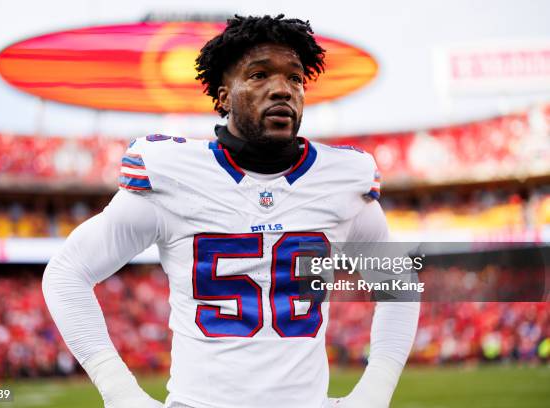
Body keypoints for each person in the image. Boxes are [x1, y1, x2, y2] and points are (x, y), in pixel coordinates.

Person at [43, 14, 420, 408]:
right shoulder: (173, 172)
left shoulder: (342, 179)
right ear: (223, 96)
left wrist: (375, 392)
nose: (282, 89)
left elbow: (400, 282)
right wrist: (121, 394)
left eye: (294, 78)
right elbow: (68, 273)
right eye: (259, 75)